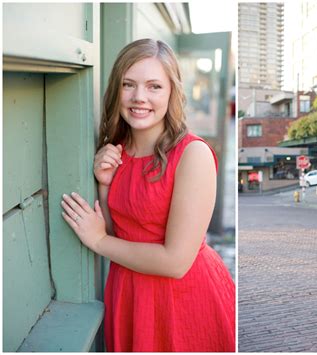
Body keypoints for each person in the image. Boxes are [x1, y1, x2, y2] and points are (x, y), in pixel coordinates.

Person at [61, 38, 235, 351]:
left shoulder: (193, 154)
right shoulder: (117, 151)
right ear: (117, 90)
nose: (139, 97)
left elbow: (176, 261)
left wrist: (98, 242)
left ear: (172, 92)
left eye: (154, 86)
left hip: (181, 299)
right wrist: (104, 182)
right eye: (129, 84)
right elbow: (122, 234)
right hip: (128, 294)